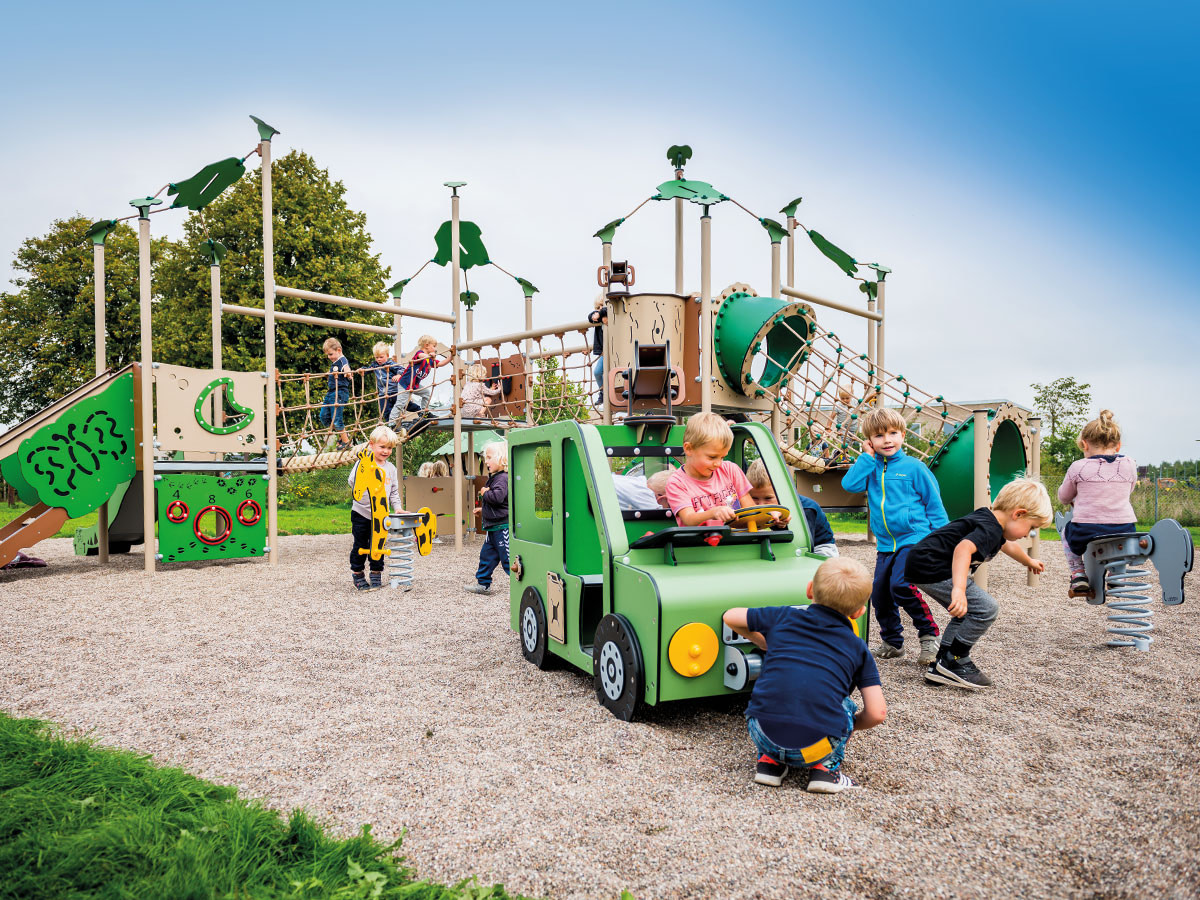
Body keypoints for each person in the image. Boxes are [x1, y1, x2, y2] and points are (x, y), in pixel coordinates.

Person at [723, 557, 887, 793]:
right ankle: (825, 771)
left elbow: (730, 616)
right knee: (845, 705)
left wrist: (764, 642)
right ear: (859, 612)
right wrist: (847, 726)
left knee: (779, 693)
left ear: (810, 589)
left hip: (762, 733)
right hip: (816, 747)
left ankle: (770, 764)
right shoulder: (857, 647)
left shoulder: (782, 617)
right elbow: (877, 713)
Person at [905, 479, 1051, 690]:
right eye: (1031, 528)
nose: (1028, 534)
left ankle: (941, 663)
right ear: (1018, 514)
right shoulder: (990, 528)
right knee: (986, 608)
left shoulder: (992, 523)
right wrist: (959, 589)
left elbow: (1008, 545)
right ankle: (954, 659)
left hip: (922, 564)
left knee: (966, 613)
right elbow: (963, 549)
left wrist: (1028, 561)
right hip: (932, 567)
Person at [841, 408, 948, 665]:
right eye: (879, 436)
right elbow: (849, 485)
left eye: (892, 433)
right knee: (879, 593)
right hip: (887, 543)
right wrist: (867, 458)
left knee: (901, 585)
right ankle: (893, 642)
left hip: (915, 537)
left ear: (902, 435)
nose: (887, 440)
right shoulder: (870, 468)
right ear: (869, 441)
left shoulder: (915, 468)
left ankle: (929, 636)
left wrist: (944, 541)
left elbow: (935, 504)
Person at [1057, 410, 1137, 598]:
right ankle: (1117, 574)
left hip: (1086, 530)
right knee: (1118, 541)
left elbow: (1064, 497)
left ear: (1084, 444)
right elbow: (1129, 490)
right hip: (1125, 528)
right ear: (1117, 446)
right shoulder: (1130, 463)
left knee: (1065, 532)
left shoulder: (1078, 466)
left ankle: (1078, 574)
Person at [665, 413, 755, 527]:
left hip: (737, 540)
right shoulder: (677, 482)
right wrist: (713, 513)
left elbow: (751, 510)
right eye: (712, 457)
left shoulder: (731, 470)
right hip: (701, 543)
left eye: (722, 457)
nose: (718, 463)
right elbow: (689, 519)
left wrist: (772, 516)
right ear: (689, 449)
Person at [346, 425, 404, 590]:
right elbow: (353, 482)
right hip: (361, 512)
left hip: (381, 515)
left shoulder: (391, 469)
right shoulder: (363, 463)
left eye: (389, 448)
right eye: (382, 447)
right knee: (360, 543)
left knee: (378, 545)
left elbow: (393, 492)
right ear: (371, 445)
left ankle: (376, 573)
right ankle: (357, 573)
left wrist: (397, 508)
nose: (385, 451)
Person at [746, 459, 837, 557]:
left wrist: (782, 525)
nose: (761, 504)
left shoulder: (805, 509)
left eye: (768, 498)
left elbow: (801, 543)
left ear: (782, 491)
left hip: (819, 547)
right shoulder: (764, 505)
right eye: (754, 498)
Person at [464, 441, 509, 594]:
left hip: (503, 527)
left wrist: (484, 492)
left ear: (502, 459)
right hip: (493, 528)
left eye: (489, 457)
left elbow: (497, 498)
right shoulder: (495, 477)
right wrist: (483, 510)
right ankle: (483, 584)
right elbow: (497, 505)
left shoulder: (502, 478)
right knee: (487, 557)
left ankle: (524, 584)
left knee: (508, 559)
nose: (486, 461)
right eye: (485, 458)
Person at [388, 336, 450, 429]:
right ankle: (391, 423)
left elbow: (440, 363)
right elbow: (421, 356)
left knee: (426, 393)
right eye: (434, 346)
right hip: (405, 384)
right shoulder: (420, 354)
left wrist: (451, 356)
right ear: (427, 345)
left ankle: (424, 413)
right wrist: (430, 355)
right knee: (401, 403)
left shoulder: (429, 360)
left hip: (414, 385)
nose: (435, 349)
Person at [319, 337, 353, 451]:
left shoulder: (343, 360)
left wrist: (348, 372)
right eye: (328, 355)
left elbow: (346, 367)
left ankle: (346, 442)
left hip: (340, 393)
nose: (329, 357)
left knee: (337, 419)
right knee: (324, 417)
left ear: (339, 350)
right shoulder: (335, 362)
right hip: (331, 393)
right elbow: (335, 371)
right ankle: (344, 435)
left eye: (331, 354)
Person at [367, 341, 402, 423]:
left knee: (403, 405)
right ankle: (390, 425)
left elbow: (401, 369)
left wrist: (398, 375)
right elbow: (367, 369)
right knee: (385, 411)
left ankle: (420, 410)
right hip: (383, 394)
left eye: (381, 357)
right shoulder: (374, 365)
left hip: (394, 392)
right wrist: (362, 370)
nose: (378, 359)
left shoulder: (391, 364)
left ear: (387, 356)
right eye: (376, 357)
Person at [587, 294, 607, 405]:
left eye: (602, 306)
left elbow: (608, 311)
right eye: (598, 308)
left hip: (617, 350)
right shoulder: (599, 319)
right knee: (597, 372)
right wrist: (597, 314)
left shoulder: (613, 316)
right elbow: (590, 317)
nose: (600, 310)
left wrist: (602, 313)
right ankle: (603, 392)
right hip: (606, 352)